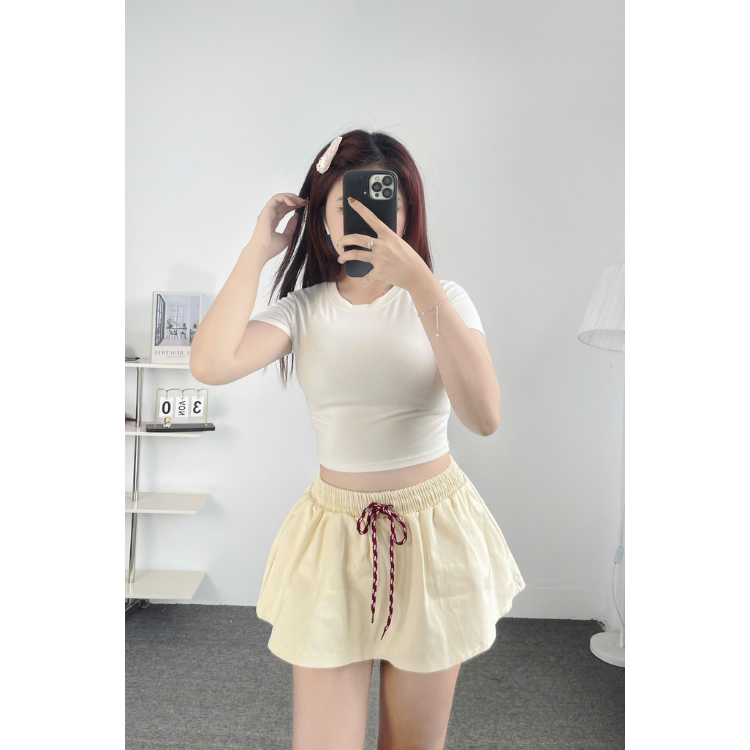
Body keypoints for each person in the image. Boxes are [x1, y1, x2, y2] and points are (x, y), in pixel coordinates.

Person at [190, 129, 526, 750]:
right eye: (344, 205)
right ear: (320, 215)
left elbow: (483, 417)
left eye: (379, 202)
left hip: (433, 532)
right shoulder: (305, 309)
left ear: (406, 211)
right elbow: (210, 364)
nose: (362, 218)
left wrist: (420, 283)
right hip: (334, 535)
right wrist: (257, 251)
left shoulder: (445, 299)